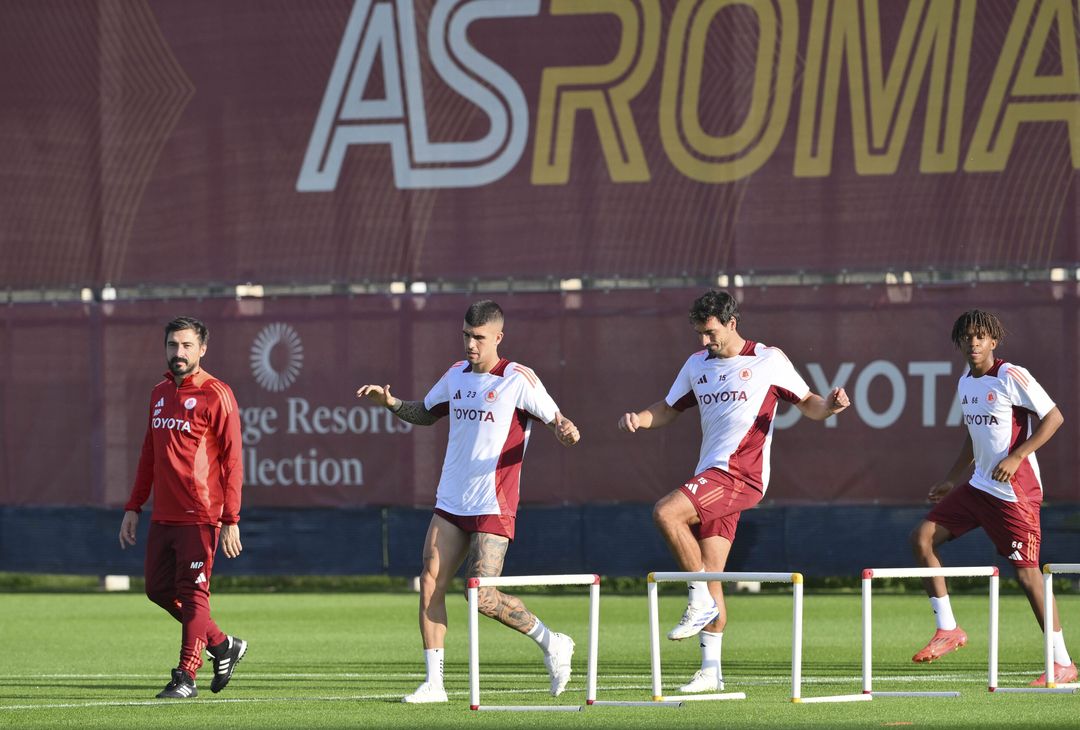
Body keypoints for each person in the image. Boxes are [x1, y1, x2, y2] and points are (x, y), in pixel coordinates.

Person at [617, 290, 849, 693]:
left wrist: (829, 406)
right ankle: (711, 671)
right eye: (699, 334)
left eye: (710, 333)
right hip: (711, 475)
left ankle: (697, 599)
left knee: (666, 513)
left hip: (741, 475)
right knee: (712, 570)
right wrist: (640, 417)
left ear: (732, 323)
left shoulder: (768, 360)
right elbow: (670, 408)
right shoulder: (696, 365)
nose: (704, 341)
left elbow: (809, 402)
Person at [357, 300, 582, 703]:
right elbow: (425, 413)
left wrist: (565, 429)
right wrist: (390, 403)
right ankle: (434, 685)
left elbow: (556, 419)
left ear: (498, 337)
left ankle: (553, 642)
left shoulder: (518, 379)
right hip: (451, 499)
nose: (470, 345)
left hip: (493, 503)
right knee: (429, 582)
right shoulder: (455, 375)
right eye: (466, 336)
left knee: (481, 596)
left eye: (478, 338)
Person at [909, 309, 1074, 686]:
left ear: (993, 342)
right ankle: (948, 629)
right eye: (967, 337)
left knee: (1028, 576)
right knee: (921, 539)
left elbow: (1054, 417)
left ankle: (1062, 663)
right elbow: (972, 436)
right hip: (979, 486)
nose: (973, 342)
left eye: (980, 336)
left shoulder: (1010, 375)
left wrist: (1017, 457)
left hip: (1015, 493)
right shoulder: (965, 381)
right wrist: (952, 479)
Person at [119, 316, 247, 699]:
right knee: (157, 589)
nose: (179, 353)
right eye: (173, 345)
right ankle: (223, 646)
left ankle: (186, 676)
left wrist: (230, 518)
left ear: (202, 349)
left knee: (194, 595)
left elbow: (233, 460)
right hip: (163, 515)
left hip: (201, 514)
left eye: (187, 345)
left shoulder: (217, 393)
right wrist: (134, 505)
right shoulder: (159, 393)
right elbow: (148, 454)